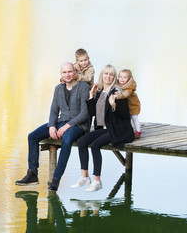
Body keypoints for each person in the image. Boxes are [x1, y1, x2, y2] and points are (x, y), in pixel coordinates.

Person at [15, 62, 90, 191]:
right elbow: (54, 110)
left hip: (79, 125)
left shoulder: (83, 87)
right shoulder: (58, 89)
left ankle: (56, 179)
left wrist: (66, 126)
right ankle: (32, 173)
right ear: (61, 74)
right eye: (64, 72)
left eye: (70, 72)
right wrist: (51, 126)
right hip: (61, 121)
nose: (67, 75)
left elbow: (85, 113)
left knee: (66, 140)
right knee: (32, 136)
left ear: (75, 73)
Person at [71, 65, 134, 192]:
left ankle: (97, 181)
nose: (108, 76)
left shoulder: (117, 92)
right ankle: (84, 176)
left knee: (95, 145)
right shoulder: (99, 92)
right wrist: (91, 95)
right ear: (102, 75)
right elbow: (92, 113)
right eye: (106, 74)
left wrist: (113, 105)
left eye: (111, 74)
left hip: (116, 128)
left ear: (114, 77)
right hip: (102, 128)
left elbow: (124, 115)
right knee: (82, 141)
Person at [115, 69, 142, 138]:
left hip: (133, 105)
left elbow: (126, 94)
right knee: (127, 118)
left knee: (134, 117)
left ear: (129, 79)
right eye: (120, 77)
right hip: (127, 106)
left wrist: (118, 95)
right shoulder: (119, 85)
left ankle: (138, 131)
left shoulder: (129, 87)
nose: (122, 79)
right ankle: (127, 130)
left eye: (125, 77)